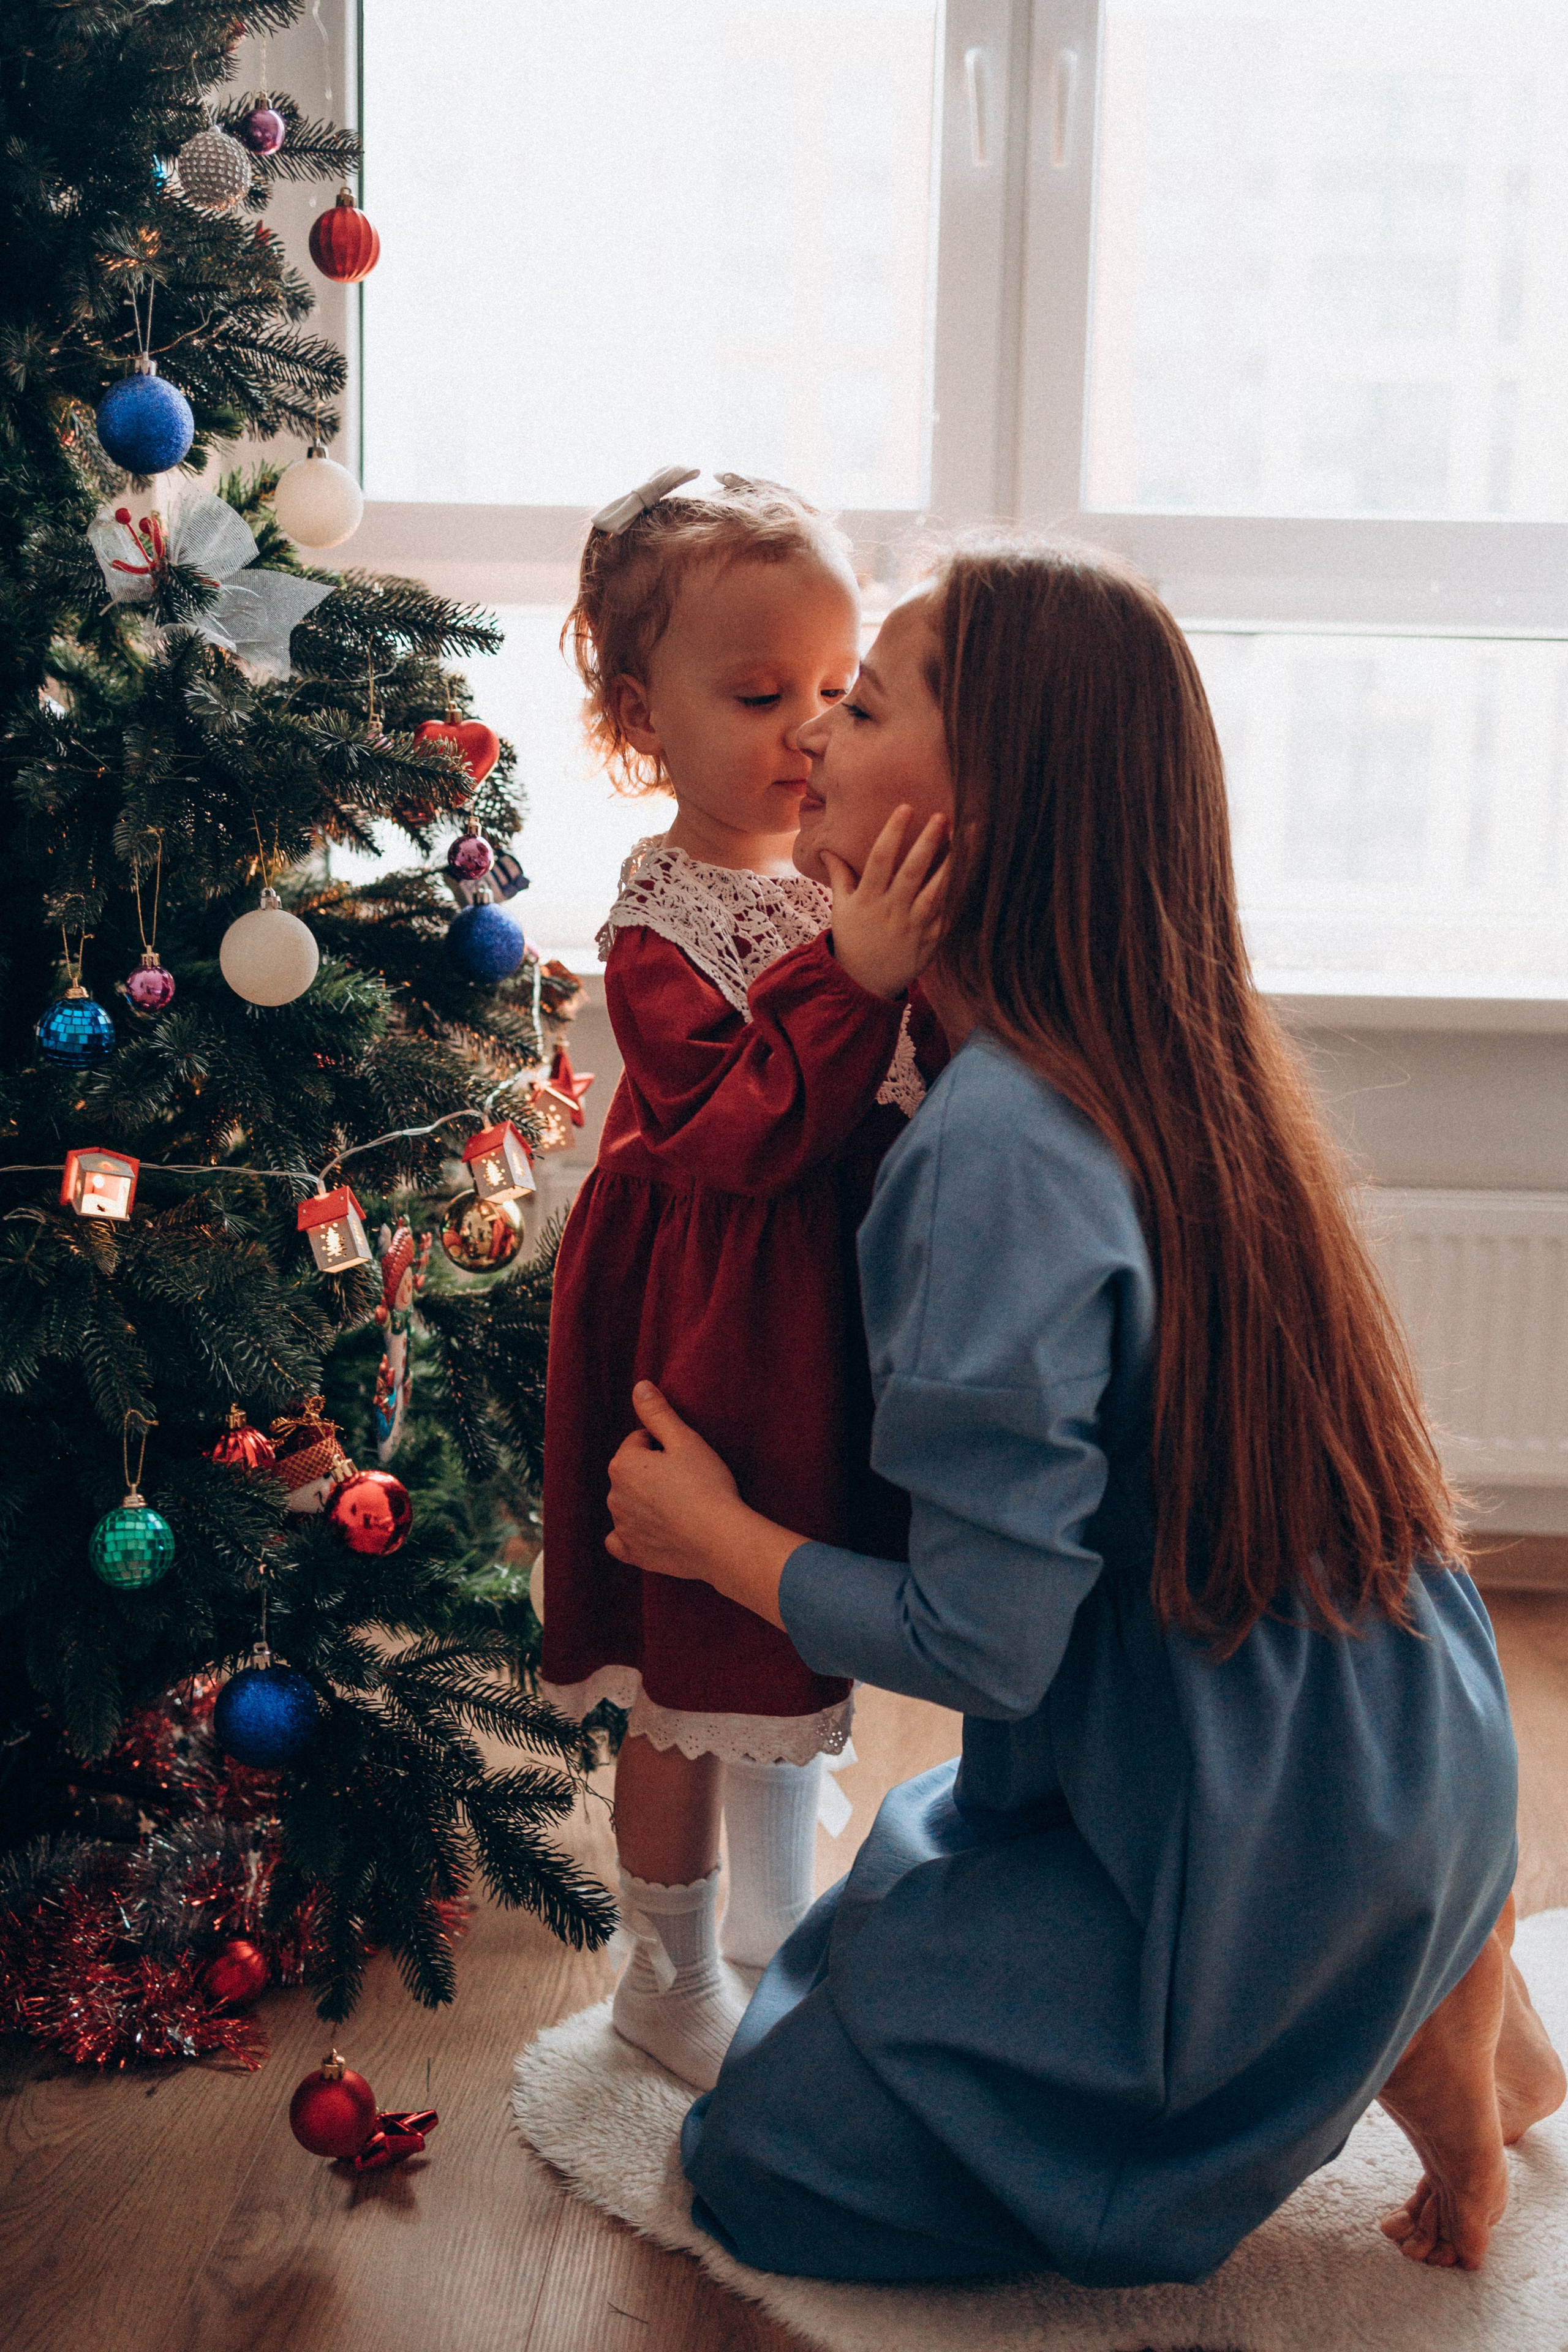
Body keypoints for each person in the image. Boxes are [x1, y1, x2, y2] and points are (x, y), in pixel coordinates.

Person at [603, 539, 1566, 2285]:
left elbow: (984, 1645)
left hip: (1244, 1830)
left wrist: (717, 1542)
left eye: (863, 703)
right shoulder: (1167, 1051)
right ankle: (1427, 1968)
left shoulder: (996, 1156)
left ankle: (1360, 2004)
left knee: (762, 2167)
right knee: (899, 1898)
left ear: (984, 817)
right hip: (1416, 1743)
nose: (811, 738)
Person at [540, 469, 948, 2091]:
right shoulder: (665, 918)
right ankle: (663, 1971)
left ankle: (784, 1926)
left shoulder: (835, 873)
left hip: (811, 1319)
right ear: (644, 720)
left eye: (834, 697)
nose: (805, 735)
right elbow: (735, 1134)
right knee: (687, 1660)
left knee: (787, 1622)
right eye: (757, 694)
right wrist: (855, 981)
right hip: (696, 1324)